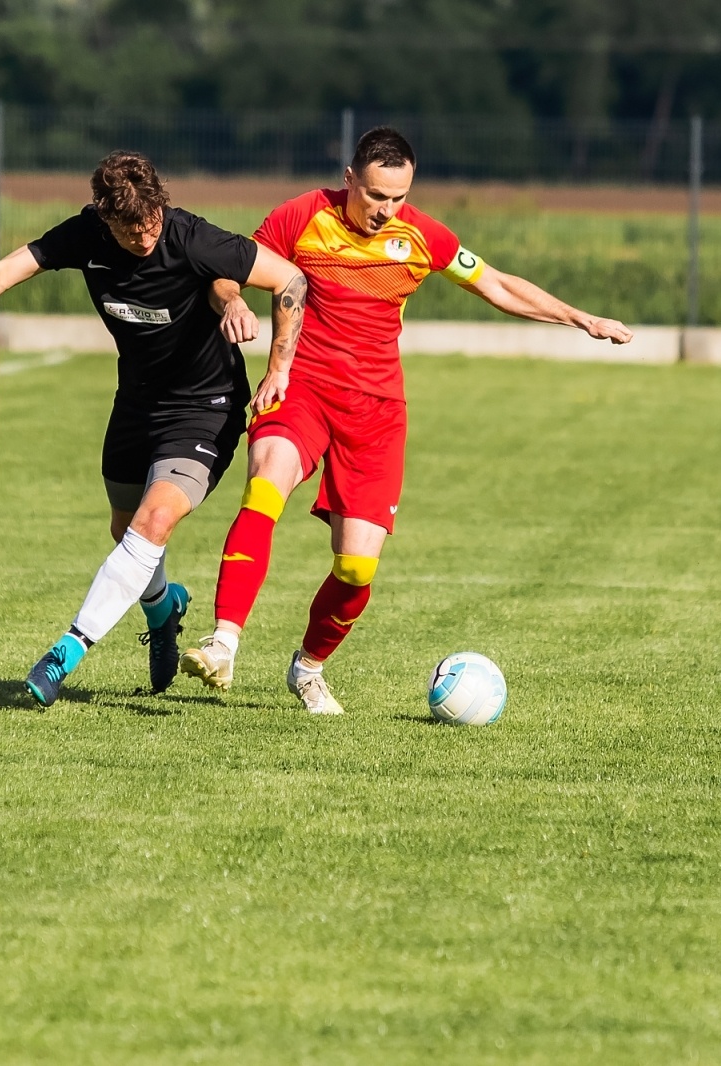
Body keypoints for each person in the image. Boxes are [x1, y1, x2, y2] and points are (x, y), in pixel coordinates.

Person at [181, 127, 633, 714]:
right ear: (350, 179)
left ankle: (309, 667)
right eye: (374, 196)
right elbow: (227, 265)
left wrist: (581, 318)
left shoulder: (422, 235)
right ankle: (224, 641)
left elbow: (495, 284)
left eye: (397, 198)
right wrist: (233, 299)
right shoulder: (301, 216)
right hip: (302, 389)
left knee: (356, 566)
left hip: (375, 414)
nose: (384, 210)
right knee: (265, 484)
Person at [0, 151, 305, 707]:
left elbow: (288, 277)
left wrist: (277, 368)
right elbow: (15, 266)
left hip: (206, 407)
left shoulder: (190, 237)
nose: (146, 237)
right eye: (132, 230)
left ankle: (66, 653)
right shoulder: (86, 236)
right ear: (104, 218)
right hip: (136, 406)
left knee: (154, 521)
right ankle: (163, 609)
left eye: (152, 222)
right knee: (125, 528)